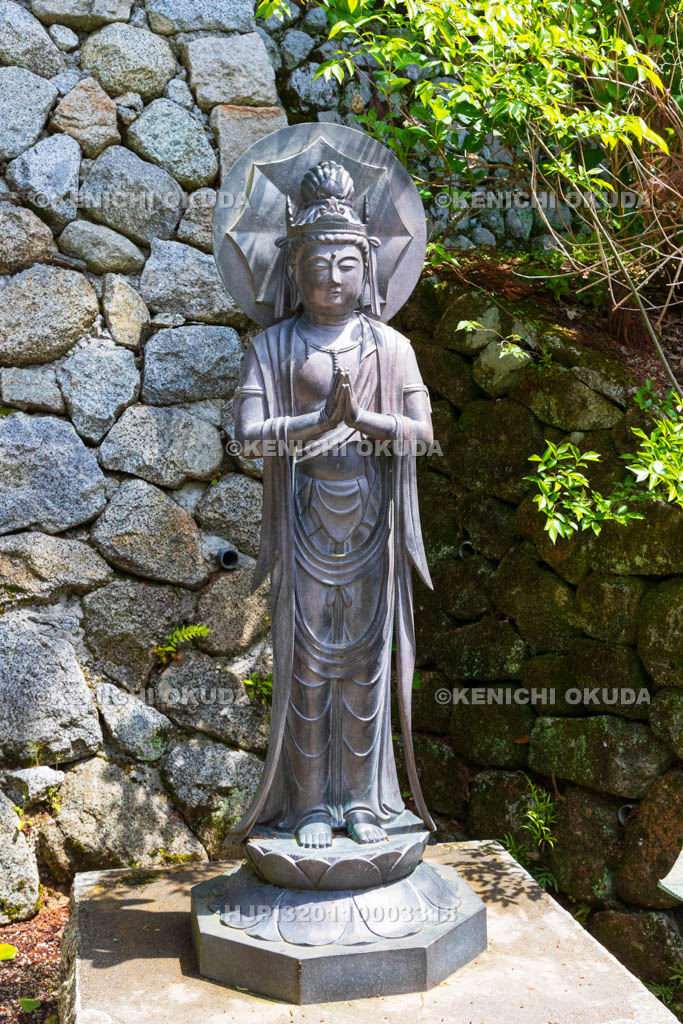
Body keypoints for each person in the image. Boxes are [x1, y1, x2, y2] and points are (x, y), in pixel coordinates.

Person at [230, 159, 435, 849]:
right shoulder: (272, 346)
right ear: (293, 268)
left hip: (373, 529)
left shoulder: (392, 346)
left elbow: (422, 432)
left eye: (346, 261)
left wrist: (366, 421)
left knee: (364, 669)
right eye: (316, 261)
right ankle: (309, 805)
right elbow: (248, 435)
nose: (330, 276)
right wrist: (312, 426)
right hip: (304, 523)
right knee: (308, 669)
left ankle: (362, 803)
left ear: (368, 266)